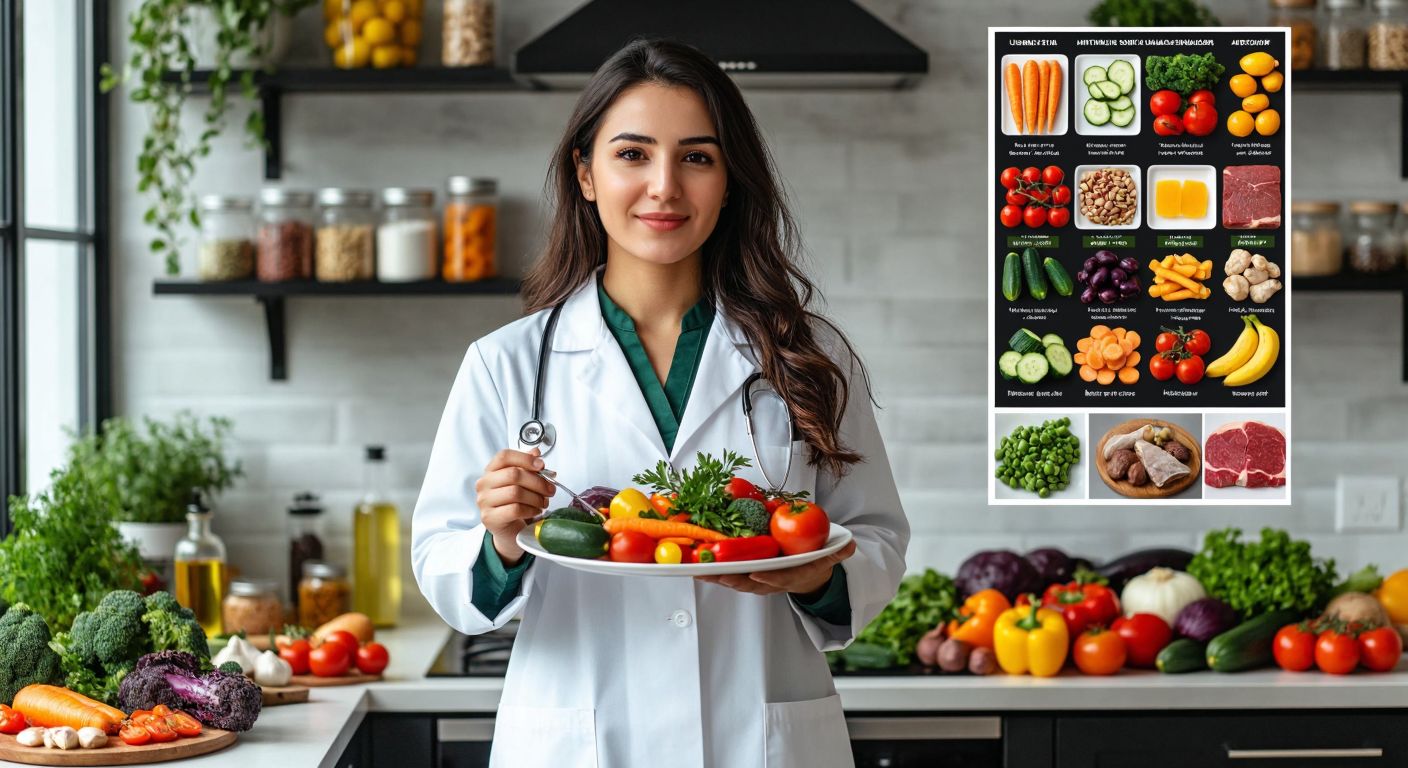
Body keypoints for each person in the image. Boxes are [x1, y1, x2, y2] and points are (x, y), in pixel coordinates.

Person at [412, 38, 909, 768]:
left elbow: (877, 537)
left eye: (697, 158)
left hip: (760, 740)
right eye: (633, 155)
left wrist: (823, 576)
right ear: (586, 173)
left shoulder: (809, 358)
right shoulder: (504, 365)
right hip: (582, 743)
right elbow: (443, 566)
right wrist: (502, 539)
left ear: (731, 179)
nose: (665, 187)